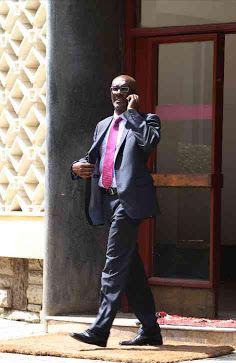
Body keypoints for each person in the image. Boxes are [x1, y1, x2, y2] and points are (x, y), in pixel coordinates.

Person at [70, 75, 162, 347]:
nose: (118, 93)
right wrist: (76, 168)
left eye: (125, 90)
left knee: (112, 265)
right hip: (106, 201)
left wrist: (132, 114)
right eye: (114, 89)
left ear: (134, 94)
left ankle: (100, 329)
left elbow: (148, 143)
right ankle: (150, 330)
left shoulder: (148, 121)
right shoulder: (102, 125)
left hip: (128, 202)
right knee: (130, 269)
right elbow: (94, 158)